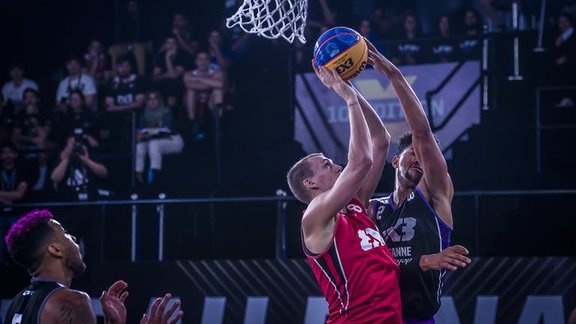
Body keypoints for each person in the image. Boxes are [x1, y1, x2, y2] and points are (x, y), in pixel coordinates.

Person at [286, 59, 402, 321]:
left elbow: (380, 141)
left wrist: (350, 87)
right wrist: (347, 97)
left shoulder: (354, 204)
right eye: (328, 165)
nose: (338, 167)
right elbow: (361, 161)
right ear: (310, 183)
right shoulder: (314, 216)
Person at [366, 39, 471, 324]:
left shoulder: (435, 195)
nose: (422, 160)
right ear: (396, 161)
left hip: (415, 318)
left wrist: (394, 75)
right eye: (413, 154)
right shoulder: (373, 210)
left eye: (427, 157)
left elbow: (422, 134)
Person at [3, 209, 184, 324]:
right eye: (64, 234)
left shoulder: (17, 303)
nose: (73, 239)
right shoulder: (73, 302)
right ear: (55, 249)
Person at [135, 90, 184, 186]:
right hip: (153, 141)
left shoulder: (166, 112)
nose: (152, 101)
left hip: (173, 140)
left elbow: (165, 131)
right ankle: (138, 174)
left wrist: (146, 134)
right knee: (140, 146)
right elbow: (141, 132)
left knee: (154, 144)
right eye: (149, 99)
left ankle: (155, 174)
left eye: (155, 99)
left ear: (159, 100)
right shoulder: (144, 115)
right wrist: (141, 136)